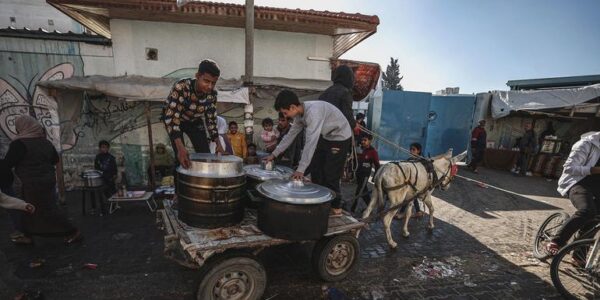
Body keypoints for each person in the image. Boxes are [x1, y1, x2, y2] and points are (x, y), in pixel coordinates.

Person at [265, 90, 352, 216]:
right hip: (326, 136)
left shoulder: (313, 112)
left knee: (330, 174)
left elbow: (311, 142)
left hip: (340, 136)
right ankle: (321, 204)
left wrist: (300, 169)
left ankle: (336, 208)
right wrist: (274, 155)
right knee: (316, 170)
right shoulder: (299, 116)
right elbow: (290, 136)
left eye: (285, 112)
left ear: (293, 107)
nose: (286, 116)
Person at [4, 115, 81, 244]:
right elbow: (55, 160)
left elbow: (8, 163)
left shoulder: (19, 144)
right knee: (34, 209)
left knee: (43, 209)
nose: (17, 130)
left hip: (31, 183)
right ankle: (27, 235)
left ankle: (72, 231)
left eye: (18, 127)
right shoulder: (45, 142)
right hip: (47, 180)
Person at [161, 59, 223, 169]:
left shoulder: (212, 95)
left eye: (213, 83)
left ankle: (205, 183)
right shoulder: (181, 87)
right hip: (175, 121)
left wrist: (218, 144)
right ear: (197, 76)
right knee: (180, 157)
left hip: (194, 121)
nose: (210, 86)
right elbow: (172, 117)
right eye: (206, 81)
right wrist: (180, 148)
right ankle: (179, 185)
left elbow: (211, 119)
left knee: (205, 155)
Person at [547, 132, 600, 255]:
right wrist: (595, 170)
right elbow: (569, 168)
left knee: (596, 217)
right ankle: (557, 240)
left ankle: (579, 253)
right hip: (577, 183)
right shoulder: (586, 144)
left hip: (597, 188)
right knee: (587, 210)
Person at [319, 65, 356, 129]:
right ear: (349, 78)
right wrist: (354, 125)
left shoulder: (325, 92)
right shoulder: (346, 93)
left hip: (322, 131)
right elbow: (348, 118)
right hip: (337, 133)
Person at [350, 135, 380, 213]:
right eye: (362, 140)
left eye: (365, 140)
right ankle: (370, 207)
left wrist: (375, 177)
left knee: (359, 191)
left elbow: (377, 165)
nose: (363, 142)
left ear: (370, 141)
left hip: (365, 175)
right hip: (358, 174)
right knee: (364, 192)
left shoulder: (373, 152)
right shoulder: (360, 150)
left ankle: (352, 209)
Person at [396, 143, 426, 219]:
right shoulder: (409, 160)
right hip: (409, 182)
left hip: (418, 183)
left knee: (409, 196)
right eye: (411, 149)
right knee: (410, 196)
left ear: (418, 151)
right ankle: (417, 211)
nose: (411, 151)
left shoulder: (421, 161)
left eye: (413, 149)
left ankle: (402, 212)